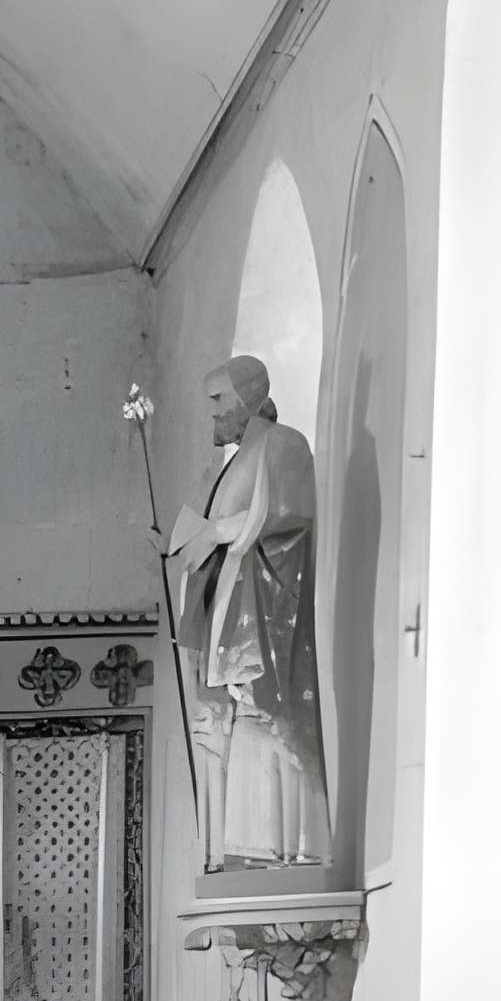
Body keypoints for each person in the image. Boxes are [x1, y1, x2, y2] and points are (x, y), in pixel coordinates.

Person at [167, 356, 329, 869]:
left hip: (265, 614)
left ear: (246, 399)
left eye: (219, 403)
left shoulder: (283, 446)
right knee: (231, 733)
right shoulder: (242, 456)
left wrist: (220, 533)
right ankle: (240, 849)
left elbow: (290, 521)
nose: (213, 415)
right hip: (229, 606)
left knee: (265, 721)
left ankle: (287, 849)